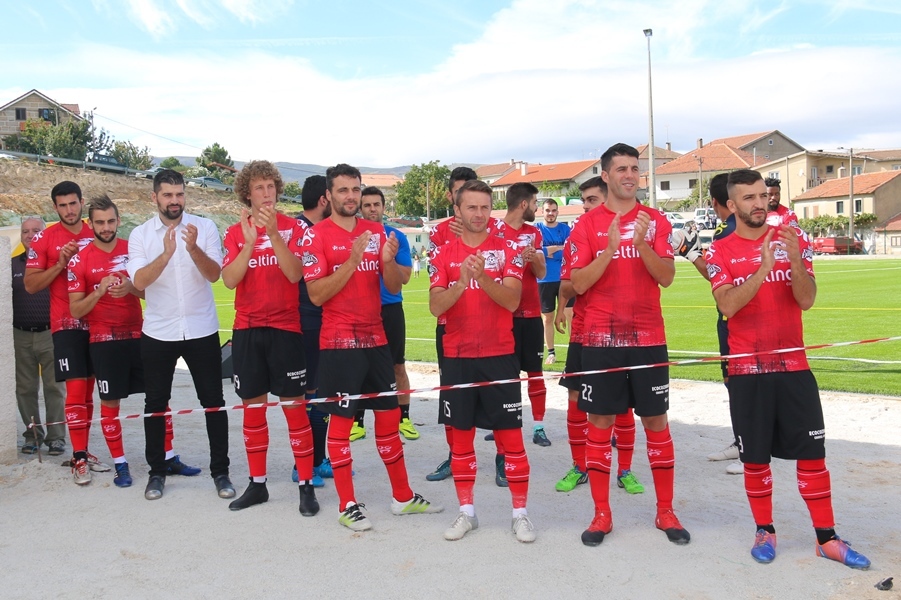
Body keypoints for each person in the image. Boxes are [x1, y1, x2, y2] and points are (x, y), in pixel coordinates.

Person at [706, 168, 870, 569]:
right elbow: (727, 306)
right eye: (749, 198)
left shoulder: (791, 240)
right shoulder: (719, 252)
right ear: (732, 206)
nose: (760, 203)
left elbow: (807, 299)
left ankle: (826, 539)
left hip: (794, 366)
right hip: (748, 371)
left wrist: (794, 260)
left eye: (763, 195)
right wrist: (761, 270)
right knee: (756, 460)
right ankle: (765, 529)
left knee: (813, 456)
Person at [302, 163, 441, 531]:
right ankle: (347, 504)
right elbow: (316, 295)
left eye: (355, 190)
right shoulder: (316, 237)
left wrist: (387, 261)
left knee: (389, 419)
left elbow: (393, 286)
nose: (351, 196)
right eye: (343, 190)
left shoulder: (376, 231)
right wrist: (350, 261)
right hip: (338, 342)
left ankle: (402, 497)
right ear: (328, 195)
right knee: (342, 424)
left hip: (376, 338)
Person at [569, 143, 688, 547]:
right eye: (620, 168)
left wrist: (639, 245)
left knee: (656, 423)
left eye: (634, 168)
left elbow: (668, 277)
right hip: (601, 341)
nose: (629, 175)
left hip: (648, 339)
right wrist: (608, 250)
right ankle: (602, 515)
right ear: (605, 175)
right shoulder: (586, 225)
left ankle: (666, 511)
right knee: (600, 424)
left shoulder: (655, 221)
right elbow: (578, 284)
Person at [429, 179, 535, 543]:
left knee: (512, 440)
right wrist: (460, 283)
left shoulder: (507, 250)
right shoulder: (442, 254)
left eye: (484, 207)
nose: (478, 214)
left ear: (492, 210)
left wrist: (483, 276)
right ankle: (466, 512)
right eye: (471, 207)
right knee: (461, 442)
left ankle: (520, 514)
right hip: (458, 358)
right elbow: (434, 307)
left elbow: (511, 302)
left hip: (500, 356)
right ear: (457, 210)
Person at [67, 195, 192, 488]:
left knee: (159, 399)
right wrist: (98, 293)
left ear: (119, 220)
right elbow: (75, 310)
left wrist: (132, 289)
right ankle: (120, 465)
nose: (106, 227)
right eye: (100, 222)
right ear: (90, 223)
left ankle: (168, 457)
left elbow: (155, 293)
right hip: (103, 340)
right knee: (110, 405)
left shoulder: (132, 248)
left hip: (141, 335)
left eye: (111, 221)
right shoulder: (80, 259)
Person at [128, 169, 233, 501]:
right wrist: (167, 253)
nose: (175, 201)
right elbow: (140, 282)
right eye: (168, 195)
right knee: (156, 404)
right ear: (155, 197)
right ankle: (157, 473)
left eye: (179, 194)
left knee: (214, 402)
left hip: (201, 329)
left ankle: (221, 473)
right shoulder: (141, 235)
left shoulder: (203, 228)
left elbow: (215, 274)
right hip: (159, 332)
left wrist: (192, 249)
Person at [221, 161, 318, 515]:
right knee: (253, 412)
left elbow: (296, 275)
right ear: (248, 193)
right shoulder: (234, 232)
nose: (266, 194)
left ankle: (306, 486)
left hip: (286, 329)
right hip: (247, 330)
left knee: (295, 412)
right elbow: (230, 280)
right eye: (259, 188)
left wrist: (275, 235)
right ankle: (257, 484)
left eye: (270, 187)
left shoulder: (295, 228)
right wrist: (248, 245)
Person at [552, 178, 643, 496]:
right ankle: (580, 466)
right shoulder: (577, 237)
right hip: (583, 332)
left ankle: (626, 471)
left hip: (624, 333)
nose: (586, 206)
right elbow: (567, 285)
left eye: (592, 200)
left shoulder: (633, 238)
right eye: (584, 200)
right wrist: (564, 304)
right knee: (575, 400)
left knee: (624, 405)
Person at [25, 181, 110, 484]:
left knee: (89, 393)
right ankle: (78, 458)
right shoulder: (45, 239)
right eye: (62, 205)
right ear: (55, 208)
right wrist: (60, 263)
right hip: (66, 323)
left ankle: (83, 451)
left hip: (99, 323)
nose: (69, 210)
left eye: (73, 203)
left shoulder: (96, 230)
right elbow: (31, 285)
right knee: (74, 392)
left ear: (81, 202)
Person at [353, 186, 419, 441]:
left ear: (383, 207)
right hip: (360, 309)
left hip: (390, 308)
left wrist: (387, 258)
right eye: (367, 205)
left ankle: (404, 418)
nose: (372, 209)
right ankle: (357, 422)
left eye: (376, 204)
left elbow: (404, 278)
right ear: (360, 208)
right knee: (358, 367)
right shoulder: (352, 235)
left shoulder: (396, 237)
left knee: (397, 366)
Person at [501, 182, 550, 447]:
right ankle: (505, 421)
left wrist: (534, 259)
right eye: (534, 203)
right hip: (503, 315)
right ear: (523, 204)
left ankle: (539, 426)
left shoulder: (534, 233)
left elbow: (541, 273)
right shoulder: (494, 231)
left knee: (535, 372)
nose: (536, 208)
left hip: (531, 314)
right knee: (506, 375)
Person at [13, 216, 66, 456]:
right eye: (26, 231)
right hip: (20, 335)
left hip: (50, 333)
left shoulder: (56, 263)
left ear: (44, 234)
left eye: (36, 231)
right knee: (25, 388)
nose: (30, 235)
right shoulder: (10, 265)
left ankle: (56, 437)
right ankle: (32, 435)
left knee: (55, 387)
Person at [293, 174, 332, 487]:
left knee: (322, 392)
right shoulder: (299, 231)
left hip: (324, 318)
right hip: (305, 319)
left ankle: (319, 458)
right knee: (310, 394)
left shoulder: (316, 229)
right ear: (324, 200)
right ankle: (304, 463)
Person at [703, 173, 743, 475]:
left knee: (739, 382)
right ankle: (742, 441)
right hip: (736, 317)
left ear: (715, 202)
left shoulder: (726, 232)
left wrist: (689, 252)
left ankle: (749, 446)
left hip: (734, 320)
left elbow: (717, 277)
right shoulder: (741, 228)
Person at [536, 198, 572, 365]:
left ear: (558, 212)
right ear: (542, 212)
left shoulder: (565, 229)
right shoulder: (536, 230)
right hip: (544, 280)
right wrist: (555, 249)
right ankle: (551, 352)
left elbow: (570, 251)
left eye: (553, 210)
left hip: (565, 278)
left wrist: (551, 251)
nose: (550, 213)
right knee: (548, 318)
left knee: (570, 315)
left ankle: (574, 350)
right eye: (547, 210)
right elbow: (535, 252)